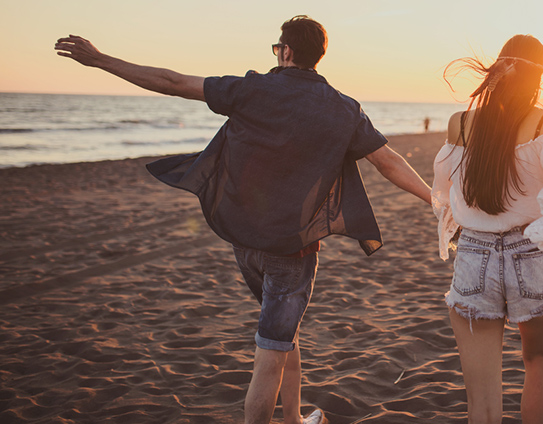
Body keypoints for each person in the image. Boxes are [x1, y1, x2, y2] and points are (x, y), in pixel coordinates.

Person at [56, 15, 432, 424]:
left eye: (277, 49)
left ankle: (292, 419)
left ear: (286, 51)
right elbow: (388, 161)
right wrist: (434, 199)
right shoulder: (344, 109)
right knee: (271, 351)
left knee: (282, 336)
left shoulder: (252, 88)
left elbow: (170, 81)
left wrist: (101, 60)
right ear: (316, 56)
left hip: (245, 243)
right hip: (292, 252)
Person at [431, 35, 543, 423]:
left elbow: (446, 191)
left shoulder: (460, 123)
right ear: (540, 77)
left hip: (475, 256)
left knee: (482, 400)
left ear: (497, 69)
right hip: (532, 253)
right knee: (537, 359)